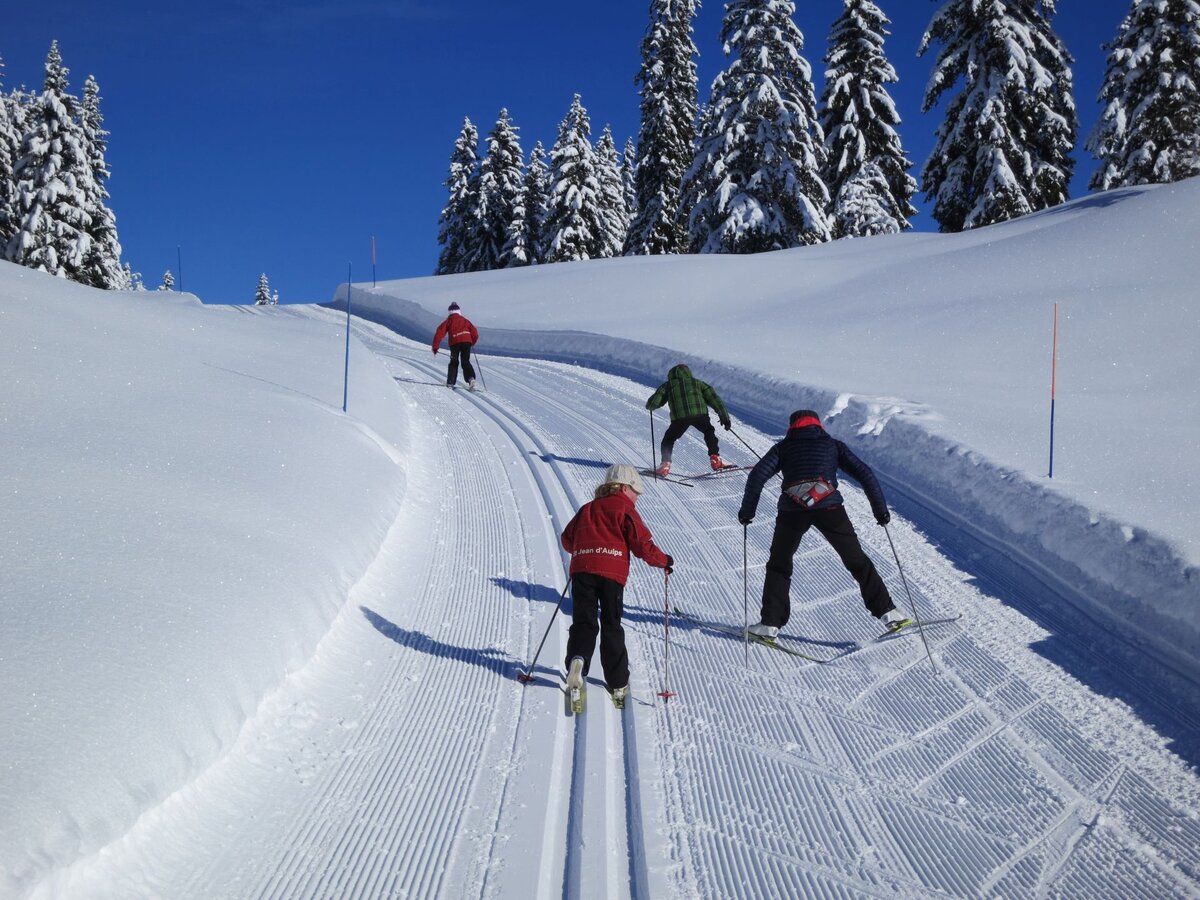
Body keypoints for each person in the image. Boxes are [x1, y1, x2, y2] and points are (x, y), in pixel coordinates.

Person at [736, 409, 911, 638]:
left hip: (792, 511)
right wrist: (880, 512)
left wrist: (747, 512)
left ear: (791, 427)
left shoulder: (783, 448)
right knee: (857, 561)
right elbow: (865, 474)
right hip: (830, 508)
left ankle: (770, 625)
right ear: (818, 426)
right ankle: (890, 614)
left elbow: (757, 475)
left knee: (779, 564)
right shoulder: (833, 446)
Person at [561, 464, 673, 706]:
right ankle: (618, 683)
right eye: (635, 491)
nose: (637, 497)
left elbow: (567, 540)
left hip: (582, 571)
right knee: (611, 624)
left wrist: (586, 547)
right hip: (611, 575)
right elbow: (642, 545)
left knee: (584, 622)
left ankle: (577, 660)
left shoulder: (587, 509)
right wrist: (665, 561)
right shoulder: (625, 510)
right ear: (623, 487)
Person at [645, 363, 732, 475]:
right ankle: (715, 458)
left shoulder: (668, 385)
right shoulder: (698, 383)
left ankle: (665, 465)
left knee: (669, 439)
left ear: (671, 375)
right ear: (688, 373)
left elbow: (652, 404)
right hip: (700, 415)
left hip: (680, 418)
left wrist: (651, 405)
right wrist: (724, 417)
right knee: (708, 431)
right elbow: (715, 400)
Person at [431, 301, 479, 389]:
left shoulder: (448, 321)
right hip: (466, 342)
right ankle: (471, 378)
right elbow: (475, 333)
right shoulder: (465, 320)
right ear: (459, 312)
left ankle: (450, 383)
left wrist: (435, 347)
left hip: (455, 343)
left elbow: (439, 333)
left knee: (454, 362)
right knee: (466, 361)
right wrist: (472, 342)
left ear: (449, 312)